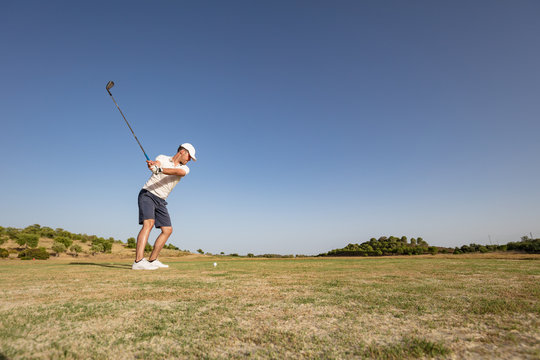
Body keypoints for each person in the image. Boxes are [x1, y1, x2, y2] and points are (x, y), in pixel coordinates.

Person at [132, 143, 197, 270]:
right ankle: (138, 261)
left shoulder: (185, 168)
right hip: (148, 194)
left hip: (161, 200)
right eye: (189, 157)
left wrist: (160, 170)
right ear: (183, 152)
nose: (189, 160)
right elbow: (157, 163)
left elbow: (178, 172)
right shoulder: (162, 158)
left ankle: (152, 260)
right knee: (149, 224)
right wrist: (153, 165)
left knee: (167, 230)